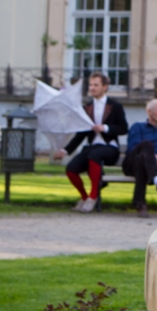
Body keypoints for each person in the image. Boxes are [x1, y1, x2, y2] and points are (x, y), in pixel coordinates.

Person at [53, 72, 128, 213]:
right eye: (90, 85)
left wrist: (105, 128)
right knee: (71, 169)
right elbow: (80, 134)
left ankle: (93, 198)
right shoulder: (86, 107)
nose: (92, 88)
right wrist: (65, 151)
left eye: (96, 85)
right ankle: (84, 197)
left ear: (105, 87)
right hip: (92, 148)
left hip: (109, 148)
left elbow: (123, 128)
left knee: (95, 156)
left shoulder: (115, 106)